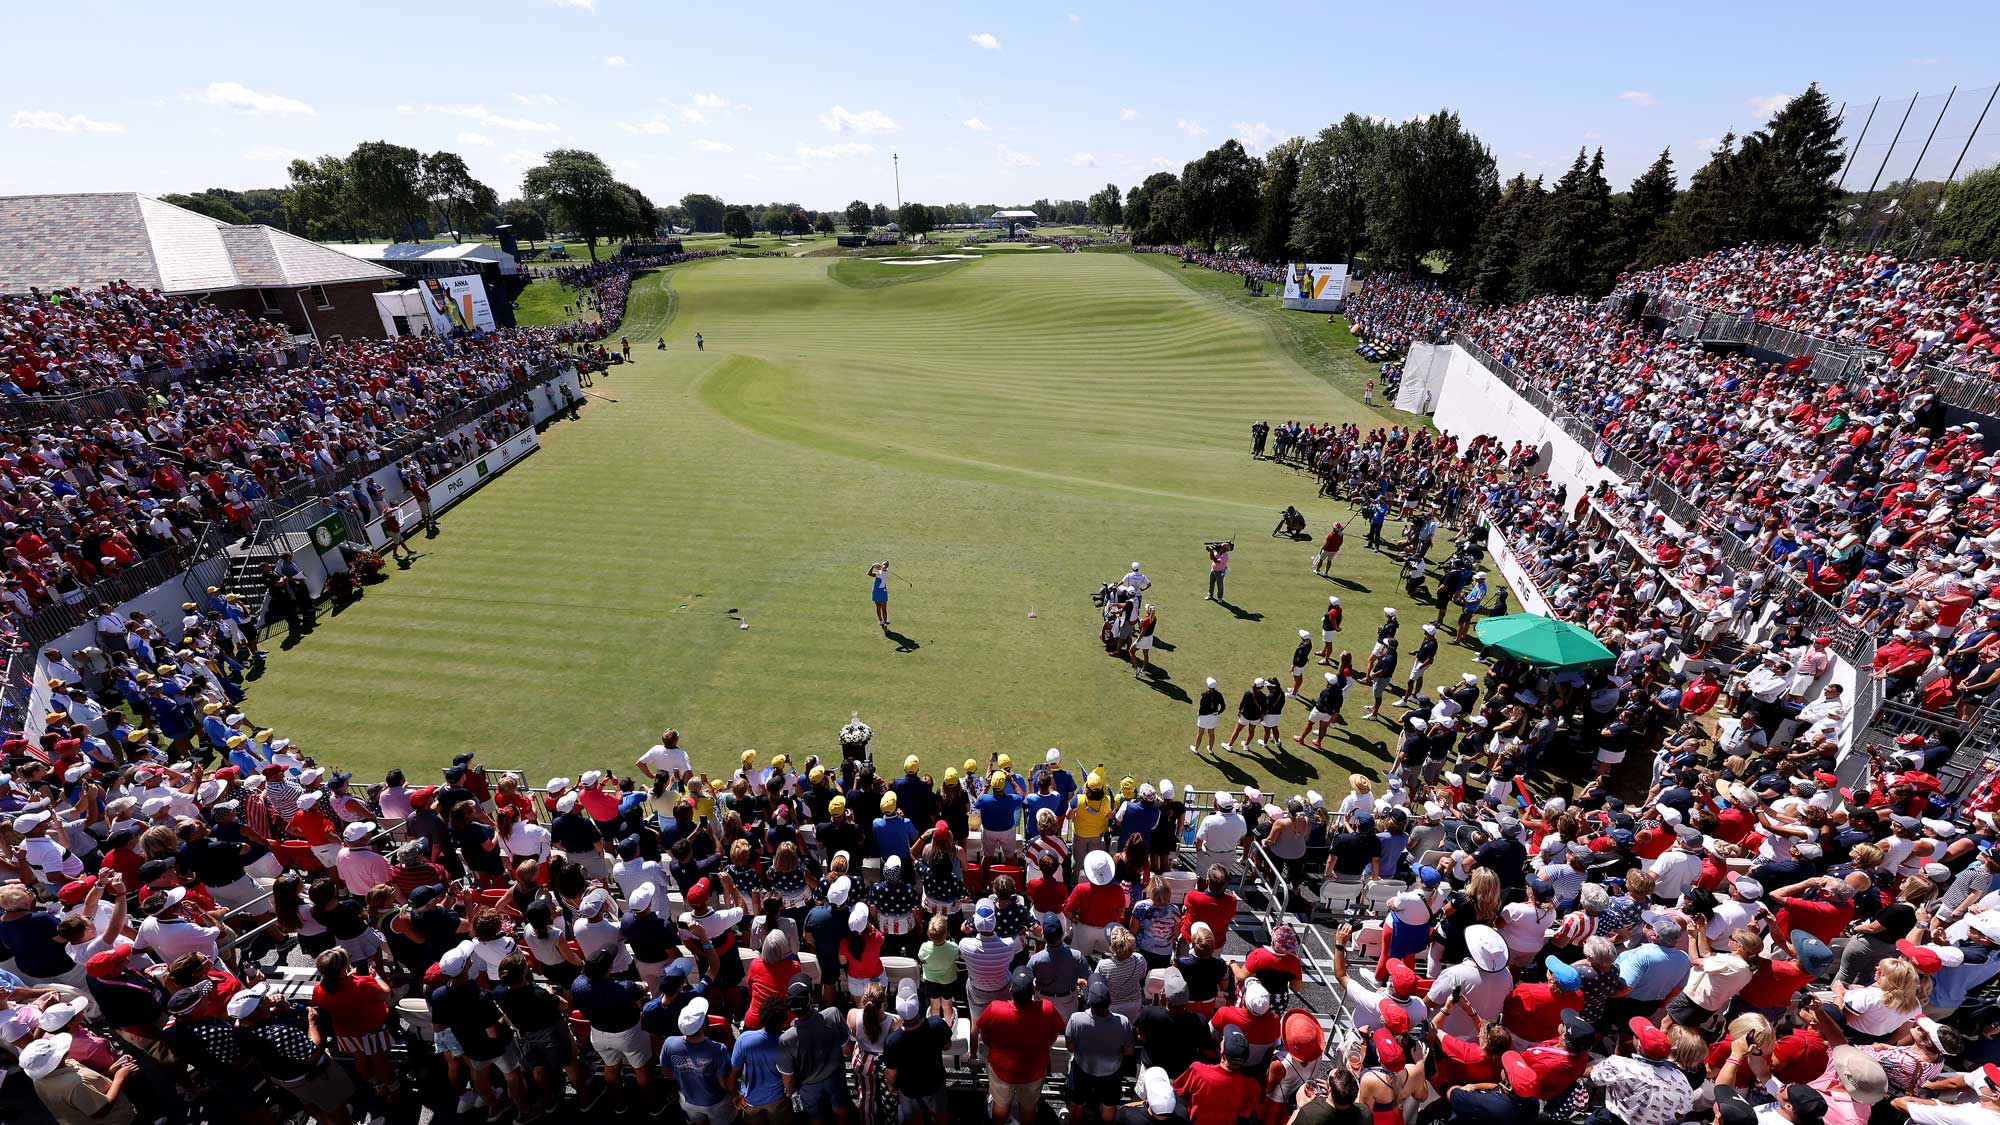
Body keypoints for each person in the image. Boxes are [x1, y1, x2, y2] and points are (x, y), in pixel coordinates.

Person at [972, 968, 1065, 1125]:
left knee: (1000, 1106)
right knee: (1028, 1108)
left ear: (1010, 990)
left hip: (1002, 1071)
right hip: (1033, 1072)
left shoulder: (995, 1008)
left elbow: (984, 1035)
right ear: (1033, 991)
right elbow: (1053, 1035)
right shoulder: (1047, 1008)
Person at [1193, 678, 1226, 756]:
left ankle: (1196, 749)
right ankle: (1210, 749)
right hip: (1213, 717)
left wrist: (1199, 714)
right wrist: (1218, 713)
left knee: (1200, 734)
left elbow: (1201, 707)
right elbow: (1223, 706)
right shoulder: (1219, 694)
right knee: (1211, 733)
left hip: (1203, 717)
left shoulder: (1203, 695)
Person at [868, 561, 892, 629]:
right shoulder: (885, 571)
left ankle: (882, 622)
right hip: (881, 591)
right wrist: (876, 566)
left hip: (876, 591)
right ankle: (883, 622)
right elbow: (882, 569)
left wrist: (873, 566)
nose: (884, 565)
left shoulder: (881, 573)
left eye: (885, 564)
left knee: (880, 607)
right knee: (881, 608)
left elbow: (869, 573)